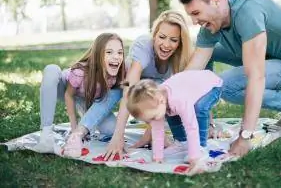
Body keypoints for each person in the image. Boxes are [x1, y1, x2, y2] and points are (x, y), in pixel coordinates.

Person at [178, 0, 281, 157]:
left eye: (196, 13)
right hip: (266, 58)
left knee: (224, 85)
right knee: (210, 54)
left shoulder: (248, 11)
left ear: (216, 0)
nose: (194, 21)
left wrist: (245, 137)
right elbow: (193, 70)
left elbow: (256, 76)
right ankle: (206, 119)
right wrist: (167, 93)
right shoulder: (210, 26)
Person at [103, 10, 195, 160]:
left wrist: (209, 124)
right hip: (124, 86)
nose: (166, 44)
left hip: (150, 93)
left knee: (168, 94)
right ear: (154, 35)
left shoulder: (182, 57)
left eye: (173, 40)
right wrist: (118, 135)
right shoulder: (144, 45)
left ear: (180, 42)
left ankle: (150, 135)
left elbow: (191, 92)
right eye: (162, 37)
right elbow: (129, 87)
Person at [34, 33, 125, 157]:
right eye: (109, 52)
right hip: (66, 90)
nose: (116, 57)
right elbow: (69, 95)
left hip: (86, 98)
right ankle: (46, 133)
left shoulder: (115, 77)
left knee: (111, 130)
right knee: (51, 69)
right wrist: (74, 128)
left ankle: (83, 114)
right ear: (98, 54)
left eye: (120, 53)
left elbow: (111, 99)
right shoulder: (80, 72)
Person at [126, 70, 222, 173]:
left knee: (199, 108)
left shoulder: (179, 100)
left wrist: (194, 157)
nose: (152, 121)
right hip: (190, 86)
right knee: (169, 113)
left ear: (161, 101)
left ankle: (200, 147)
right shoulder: (157, 102)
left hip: (213, 86)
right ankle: (182, 142)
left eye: (153, 117)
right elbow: (157, 131)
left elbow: (191, 127)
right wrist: (157, 157)